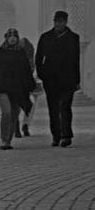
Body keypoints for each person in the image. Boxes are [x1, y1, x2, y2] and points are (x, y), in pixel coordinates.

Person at [35, 10, 80, 147]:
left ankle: (66, 135)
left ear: (65, 22)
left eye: (61, 21)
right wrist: (42, 74)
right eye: (56, 21)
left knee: (65, 106)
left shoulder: (73, 38)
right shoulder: (46, 37)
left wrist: (77, 80)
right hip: (51, 79)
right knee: (53, 108)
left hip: (68, 78)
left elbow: (76, 60)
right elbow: (39, 57)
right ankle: (56, 135)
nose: (58, 24)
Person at [0, 28, 34, 150]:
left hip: (16, 90)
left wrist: (29, 86)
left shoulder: (21, 53)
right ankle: (4, 139)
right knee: (6, 112)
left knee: (13, 114)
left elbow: (26, 71)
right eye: (10, 36)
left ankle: (8, 140)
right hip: (2, 89)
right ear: (7, 38)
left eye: (15, 36)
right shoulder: (0, 53)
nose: (12, 39)